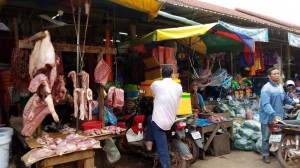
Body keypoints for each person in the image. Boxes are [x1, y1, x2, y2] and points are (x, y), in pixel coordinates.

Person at [259, 67, 300, 164]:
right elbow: (265, 104)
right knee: (266, 137)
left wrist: (295, 104)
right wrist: (273, 115)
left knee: (278, 135)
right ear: (269, 76)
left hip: (279, 116)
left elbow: (285, 98)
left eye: (278, 73)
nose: (277, 75)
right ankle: (265, 155)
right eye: (274, 74)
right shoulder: (266, 88)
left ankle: (276, 152)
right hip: (268, 117)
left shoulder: (280, 86)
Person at [145, 66, 182, 168]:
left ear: (162, 75)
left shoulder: (156, 84)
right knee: (149, 119)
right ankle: (149, 143)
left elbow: (151, 90)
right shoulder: (178, 87)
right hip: (172, 120)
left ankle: (149, 143)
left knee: (163, 150)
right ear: (172, 75)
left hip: (160, 123)